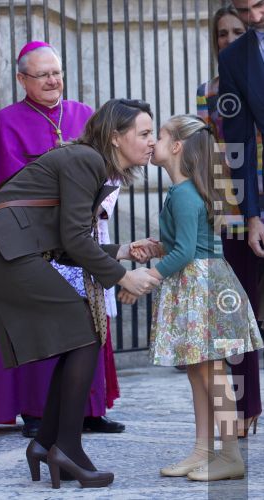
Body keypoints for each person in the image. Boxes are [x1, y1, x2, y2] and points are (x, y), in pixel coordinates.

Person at [0, 98, 160, 489]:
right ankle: (65, 448)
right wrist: (123, 277)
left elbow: (70, 243)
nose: (151, 141)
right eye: (145, 133)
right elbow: (72, 238)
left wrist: (122, 250)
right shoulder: (86, 160)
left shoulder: (88, 162)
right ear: (117, 138)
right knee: (84, 332)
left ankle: (48, 443)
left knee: (79, 335)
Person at [0, 40, 125, 437]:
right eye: (42, 75)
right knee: (41, 319)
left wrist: (96, 202)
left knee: (89, 315)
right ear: (22, 78)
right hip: (34, 241)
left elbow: (107, 169)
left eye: (56, 72)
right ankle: (38, 411)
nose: (52, 80)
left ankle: (90, 409)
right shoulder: (3, 124)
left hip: (81, 231)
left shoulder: (84, 116)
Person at [120, 115, 263, 481]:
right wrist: (154, 245)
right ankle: (203, 450)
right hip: (200, 284)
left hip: (202, 288)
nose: (152, 142)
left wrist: (147, 277)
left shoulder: (184, 193)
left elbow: (185, 252)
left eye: (160, 135)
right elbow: (185, 241)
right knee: (200, 372)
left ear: (178, 146)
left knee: (212, 373)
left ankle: (229, 455)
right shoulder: (183, 191)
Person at [197, 5, 262, 439]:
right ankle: (244, 406)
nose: (229, 38)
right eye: (222, 32)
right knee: (237, 313)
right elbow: (210, 150)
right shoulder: (209, 91)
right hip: (235, 206)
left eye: (236, 31)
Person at [219, 0, 264, 258]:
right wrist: (252, 216)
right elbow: (240, 143)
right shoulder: (232, 60)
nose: (255, 16)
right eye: (245, 11)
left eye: (260, 4)